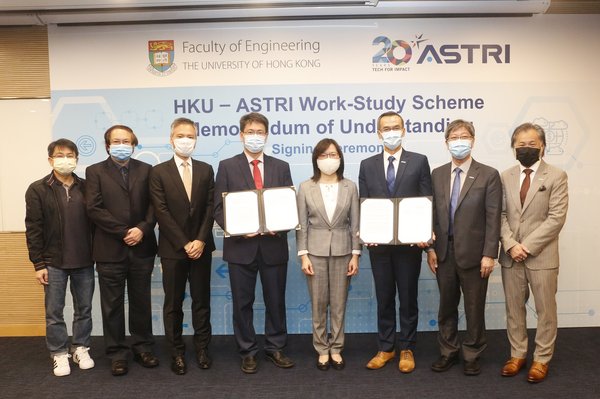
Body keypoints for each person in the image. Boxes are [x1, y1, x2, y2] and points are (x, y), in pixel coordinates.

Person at [214, 112, 295, 374]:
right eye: (250, 132)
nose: (255, 137)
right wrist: (238, 230)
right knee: (242, 303)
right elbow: (218, 208)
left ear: (267, 135)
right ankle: (247, 351)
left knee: (276, 301)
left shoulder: (281, 166)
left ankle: (275, 348)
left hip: (273, 246)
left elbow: (288, 206)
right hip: (241, 248)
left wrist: (281, 225)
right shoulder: (227, 166)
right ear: (241, 135)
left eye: (260, 132)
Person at [426, 119, 502, 376]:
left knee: (473, 308)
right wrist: (431, 249)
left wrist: (489, 254)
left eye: (464, 136)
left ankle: (472, 354)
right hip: (444, 253)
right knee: (446, 307)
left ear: (473, 140)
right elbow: (432, 215)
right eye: (454, 137)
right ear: (446, 143)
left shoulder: (488, 174)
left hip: (475, 255)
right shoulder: (436, 174)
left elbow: (493, 217)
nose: (459, 141)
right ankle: (448, 352)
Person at [358, 111, 432, 373]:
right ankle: (386, 348)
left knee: (408, 297)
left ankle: (407, 348)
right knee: (385, 297)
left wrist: (426, 235)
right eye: (386, 128)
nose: (391, 132)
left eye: (396, 127)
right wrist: (367, 233)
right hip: (379, 247)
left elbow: (426, 201)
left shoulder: (419, 162)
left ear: (404, 130)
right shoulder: (367, 165)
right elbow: (364, 204)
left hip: (410, 247)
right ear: (379, 133)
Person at [85, 125, 158, 376]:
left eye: (126, 141)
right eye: (116, 141)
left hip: (142, 246)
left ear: (134, 144)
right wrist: (124, 231)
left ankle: (143, 347)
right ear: (107, 145)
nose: (122, 144)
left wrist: (142, 229)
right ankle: (117, 353)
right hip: (110, 249)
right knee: (112, 305)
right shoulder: (94, 171)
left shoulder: (147, 170)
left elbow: (154, 205)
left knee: (141, 302)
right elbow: (94, 208)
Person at [498, 122, 568, 383]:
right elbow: (500, 215)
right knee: (514, 308)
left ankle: (541, 359)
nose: (525, 149)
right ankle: (517, 354)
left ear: (542, 147)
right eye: (520, 145)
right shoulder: (505, 176)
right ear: (513, 148)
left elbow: (556, 218)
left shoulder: (557, 176)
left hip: (541, 255)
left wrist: (525, 246)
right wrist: (510, 245)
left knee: (545, 309)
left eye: (531, 144)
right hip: (510, 255)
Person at [149, 117, 215, 375]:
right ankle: (176, 352)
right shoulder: (158, 172)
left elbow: (210, 208)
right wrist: (185, 243)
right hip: (173, 249)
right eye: (180, 135)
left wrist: (199, 240)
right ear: (171, 139)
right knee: (173, 303)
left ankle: (202, 349)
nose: (185, 140)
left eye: (190, 136)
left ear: (196, 139)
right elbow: (161, 212)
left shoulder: (206, 169)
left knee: (202, 301)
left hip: (201, 247)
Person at [25, 138, 95, 377]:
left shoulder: (88, 187)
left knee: (84, 309)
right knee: (54, 311)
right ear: (50, 159)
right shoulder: (38, 188)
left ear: (76, 158)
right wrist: (38, 263)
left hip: (85, 260)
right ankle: (58, 353)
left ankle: (80, 348)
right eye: (60, 155)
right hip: (53, 262)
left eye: (70, 155)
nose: (65, 159)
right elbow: (33, 228)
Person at [297, 138, 360, 371]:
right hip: (314, 252)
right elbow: (302, 225)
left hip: (344, 251)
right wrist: (303, 255)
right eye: (323, 155)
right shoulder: (305, 187)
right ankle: (322, 348)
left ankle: (337, 347)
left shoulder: (350, 186)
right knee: (318, 303)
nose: (329, 159)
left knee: (339, 304)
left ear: (340, 158)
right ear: (316, 159)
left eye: (333, 155)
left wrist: (356, 255)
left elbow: (355, 223)